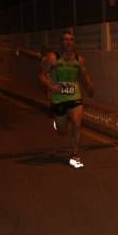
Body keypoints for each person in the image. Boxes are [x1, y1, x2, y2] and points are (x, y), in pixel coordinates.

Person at [38, 30, 94, 168]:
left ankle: (75, 155)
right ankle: (58, 124)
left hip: (75, 96)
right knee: (62, 132)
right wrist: (51, 86)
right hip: (59, 99)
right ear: (61, 42)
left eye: (71, 39)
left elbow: (84, 75)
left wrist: (89, 85)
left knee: (76, 123)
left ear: (74, 43)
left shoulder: (79, 60)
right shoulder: (53, 58)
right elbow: (41, 75)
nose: (68, 42)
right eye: (65, 39)